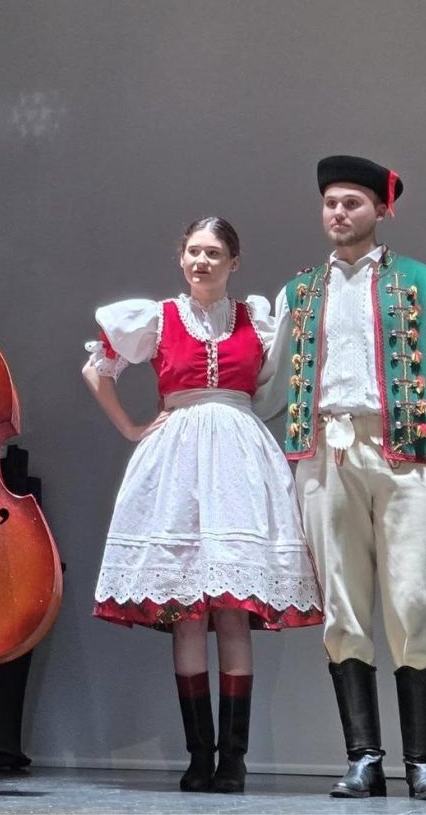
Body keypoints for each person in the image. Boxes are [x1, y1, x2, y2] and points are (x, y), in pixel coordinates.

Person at [82, 217, 323, 794]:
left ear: (233, 262)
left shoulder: (257, 320)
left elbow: (287, 379)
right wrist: (132, 428)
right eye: (193, 251)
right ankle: (198, 756)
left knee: (233, 610)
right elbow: (97, 369)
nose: (201, 262)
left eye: (213, 253)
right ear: (181, 258)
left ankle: (232, 760)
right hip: (177, 458)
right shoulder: (159, 317)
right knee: (187, 612)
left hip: (239, 455)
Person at [265, 156, 426, 801]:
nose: (339, 213)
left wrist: (407, 413)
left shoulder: (423, 283)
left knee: (412, 603)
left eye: (352, 202)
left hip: (403, 454)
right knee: (343, 609)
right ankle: (363, 759)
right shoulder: (299, 292)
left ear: (382, 210)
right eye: (331, 202)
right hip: (326, 454)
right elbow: (272, 383)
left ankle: (423, 763)